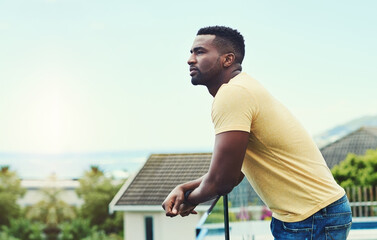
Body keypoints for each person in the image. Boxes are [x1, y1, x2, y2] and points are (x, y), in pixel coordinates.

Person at [161, 26, 352, 239]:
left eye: (199, 52)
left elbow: (223, 180)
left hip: (312, 217)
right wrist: (185, 188)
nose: (190, 59)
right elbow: (234, 170)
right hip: (309, 215)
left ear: (227, 59)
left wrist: (188, 199)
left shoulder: (233, 94)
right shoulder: (242, 88)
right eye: (191, 52)